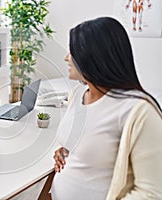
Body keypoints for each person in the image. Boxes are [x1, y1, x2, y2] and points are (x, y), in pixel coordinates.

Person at [51, 17, 162, 199]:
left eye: (72, 52)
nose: (66, 58)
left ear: (93, 56)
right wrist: (68, 151)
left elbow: (151, 193)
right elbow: (92, 142)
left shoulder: (139, 111)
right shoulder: (79, 94)